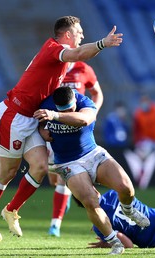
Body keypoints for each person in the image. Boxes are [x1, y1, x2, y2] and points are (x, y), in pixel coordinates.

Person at [0, 15, 123, 243]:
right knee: (8, 172)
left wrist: (44, 123)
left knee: (41, 166)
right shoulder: (54, 48)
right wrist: (103, 43)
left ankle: (11, 210)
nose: (82, 35)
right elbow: (80, 53)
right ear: (68, 35)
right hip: (12, 116)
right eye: (79, 32)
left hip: (30, 117)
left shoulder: (63, 60)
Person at [33, 86, 150, 255]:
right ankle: (115, 242)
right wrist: (42, 131)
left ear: (74, 100)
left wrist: (55, 115)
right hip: (67, 162)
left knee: (126, 188)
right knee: (90, 201)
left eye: (71, 108)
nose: (70, 110)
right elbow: (36, 124)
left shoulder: (84, 101)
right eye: (63, 110)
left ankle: (128, 209)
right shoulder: (45, 105)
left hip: (92, 153)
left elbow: (84, 120)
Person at [47, 61, 104, 237]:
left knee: (64, 178)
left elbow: (97, 94)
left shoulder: (84, 68)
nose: (80, 39)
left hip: (76, 130)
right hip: (55, 127)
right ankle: (69, 194)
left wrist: (90, 113)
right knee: (53, 180)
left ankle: (55, 224)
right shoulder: (51, 67)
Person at [133, 94, 155, 159]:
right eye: (142, 101)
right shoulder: (138, 114)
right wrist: (137, 142)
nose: (144, 103)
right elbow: (136, 129)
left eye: (146, 101)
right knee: (143, 156)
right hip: (147, 139)